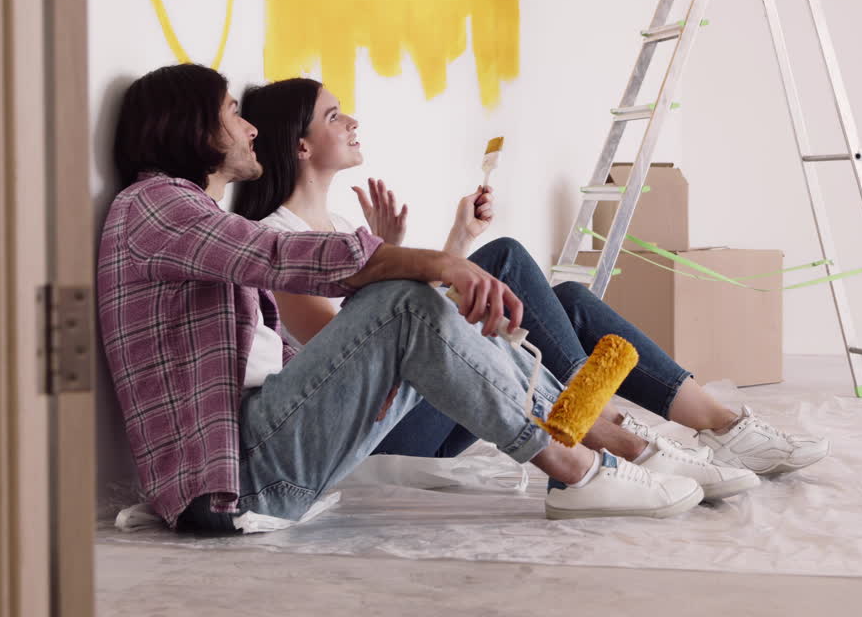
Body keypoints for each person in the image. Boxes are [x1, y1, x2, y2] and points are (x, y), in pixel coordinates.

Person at [98, 63, 727, 530]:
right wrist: (441, 262)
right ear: (193, 125)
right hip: (239, 473)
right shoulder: (155, 205)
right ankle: (584, 467)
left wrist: (426, 263)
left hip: (263, 449)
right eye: (234, 112)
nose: (249, 126)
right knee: (416, 298)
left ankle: (616, 447)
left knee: (459, 297)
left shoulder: (187, 215)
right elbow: (280, 258)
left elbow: (315, 347)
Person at [229, 77, 831, 496]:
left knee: (568, 300)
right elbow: (352, 358)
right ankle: (605, 434)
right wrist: (409, 259)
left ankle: (722, 425)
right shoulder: (274, 243)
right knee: (509, 260)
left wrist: (453, 241)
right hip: (381, 433)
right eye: (334, 115)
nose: (353, 121)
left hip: (423, 401)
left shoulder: (340, 226)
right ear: (301, 144)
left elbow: (413, 319)